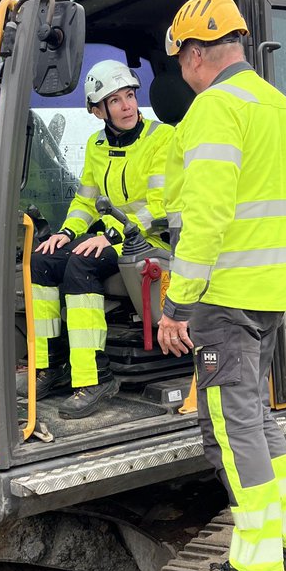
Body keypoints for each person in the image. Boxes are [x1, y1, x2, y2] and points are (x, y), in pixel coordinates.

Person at [157, 0, 286, 571]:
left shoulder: (214, 110)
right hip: (270, 297)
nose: (181, 72)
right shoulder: (278, 107)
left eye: (181, 61)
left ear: (199, 53)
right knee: (255, 421)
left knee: (230, 432)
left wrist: (177, 301)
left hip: (224, 300)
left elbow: (205, 217)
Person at [22, 58, 174, 419]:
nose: (127, 106)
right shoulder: (96, 144)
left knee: (81, 263)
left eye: (130, 96)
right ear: (97, 110)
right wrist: (67, 232)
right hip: (111, 238)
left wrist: (110, 235)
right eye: (116, 100)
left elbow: (162, 206)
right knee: (42, 259)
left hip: (152, 240)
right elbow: (85, 201)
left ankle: (94, 377)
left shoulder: (162, 138)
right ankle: (52, 365)